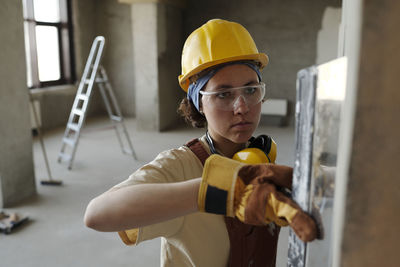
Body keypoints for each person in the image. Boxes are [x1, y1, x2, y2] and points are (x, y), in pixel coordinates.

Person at [84, 19, 317, 267]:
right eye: (223, 94)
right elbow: (97, 214)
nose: (242, 107)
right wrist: (219, 189)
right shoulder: (180, 167)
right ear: (199, 103)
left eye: (251, 90)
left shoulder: (261, 158)